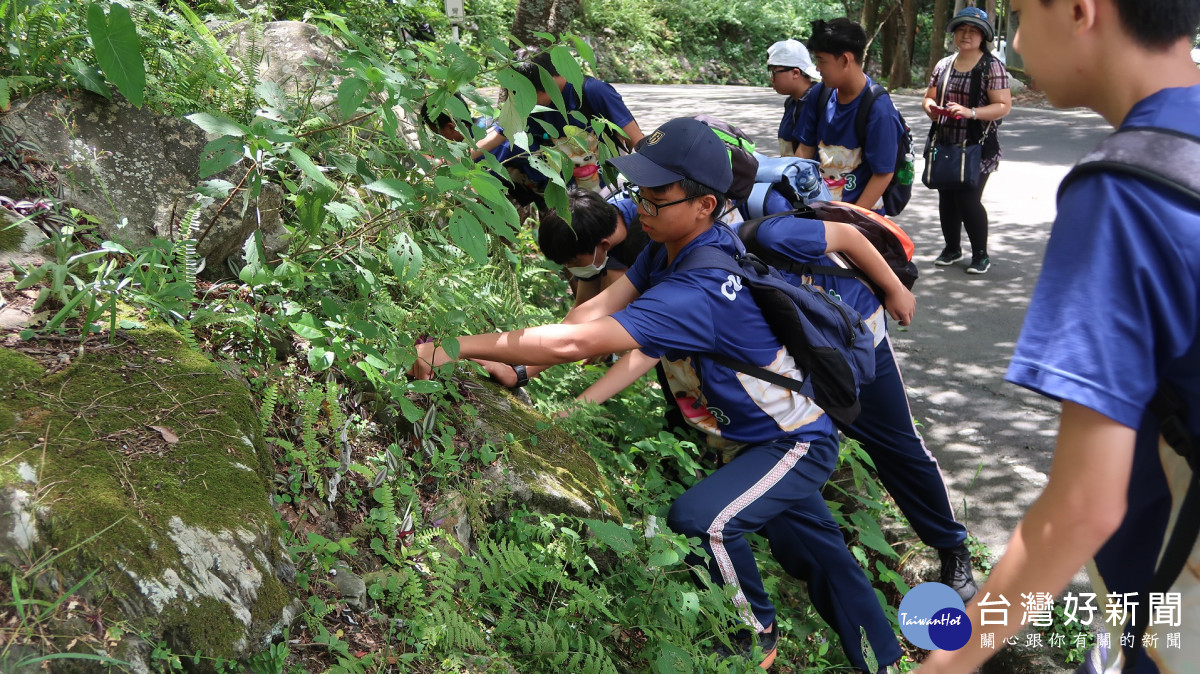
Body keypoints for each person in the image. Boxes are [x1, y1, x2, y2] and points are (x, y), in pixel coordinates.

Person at [413, 117, 903, 672]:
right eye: (640, 190)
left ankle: (751, 641)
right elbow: (593, 311)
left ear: (706, 204)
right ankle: (883, 660)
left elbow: (579, 341)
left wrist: (453, 348)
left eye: (659, 194)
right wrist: (520, 369)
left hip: (790, 442)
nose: (642, 205)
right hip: (748, 442)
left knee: (701, 521)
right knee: (820, 557)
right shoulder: (669, 251)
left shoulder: (700, 287)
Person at [916, 0, 1200, 671]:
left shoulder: (1126, 191)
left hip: (1171, 592)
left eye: (1018, 14)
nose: (1013, 40)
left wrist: (953, 658)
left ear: (1079, 11)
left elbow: (1081, 506)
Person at [921, 7, 1012, 275]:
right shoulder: (943, 65)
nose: (966, 34)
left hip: (978, 147)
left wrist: (971, 113)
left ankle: (980, 254)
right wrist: (931, 109)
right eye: (962, 29)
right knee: (946, 197)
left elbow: (1003, 105)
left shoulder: (991, 66)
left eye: (973, 30)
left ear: (984, 36)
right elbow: (929, 97)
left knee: (968, 199)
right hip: (946, 142)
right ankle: (952, 249)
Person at [794, 18, 906, 212]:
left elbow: (883, 174)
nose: (818, 68)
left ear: (845, 60)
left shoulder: (879, 109)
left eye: (822, 60)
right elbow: (804, 150)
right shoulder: (819, 95)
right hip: (818, 210)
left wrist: (851, 217)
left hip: (861, 218)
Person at [473, 51, 644, 169]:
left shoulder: (593, 92)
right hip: (568, 187)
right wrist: (458, 158)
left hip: (606, 182)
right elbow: (496, 137)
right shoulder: (533, 104)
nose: (518, 99)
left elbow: (637, 141)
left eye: (521, 92)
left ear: (542, 85)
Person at [537, 189, 647, 306]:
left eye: (574, 262)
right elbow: (584, 303)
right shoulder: (587, 236)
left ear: (605, 245)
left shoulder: (649, 228)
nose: (571, 268)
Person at [766, 39, 821, 156]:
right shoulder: (791, 102)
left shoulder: (815, 101)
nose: (771, 79)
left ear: (795, 73)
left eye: (773, 73)